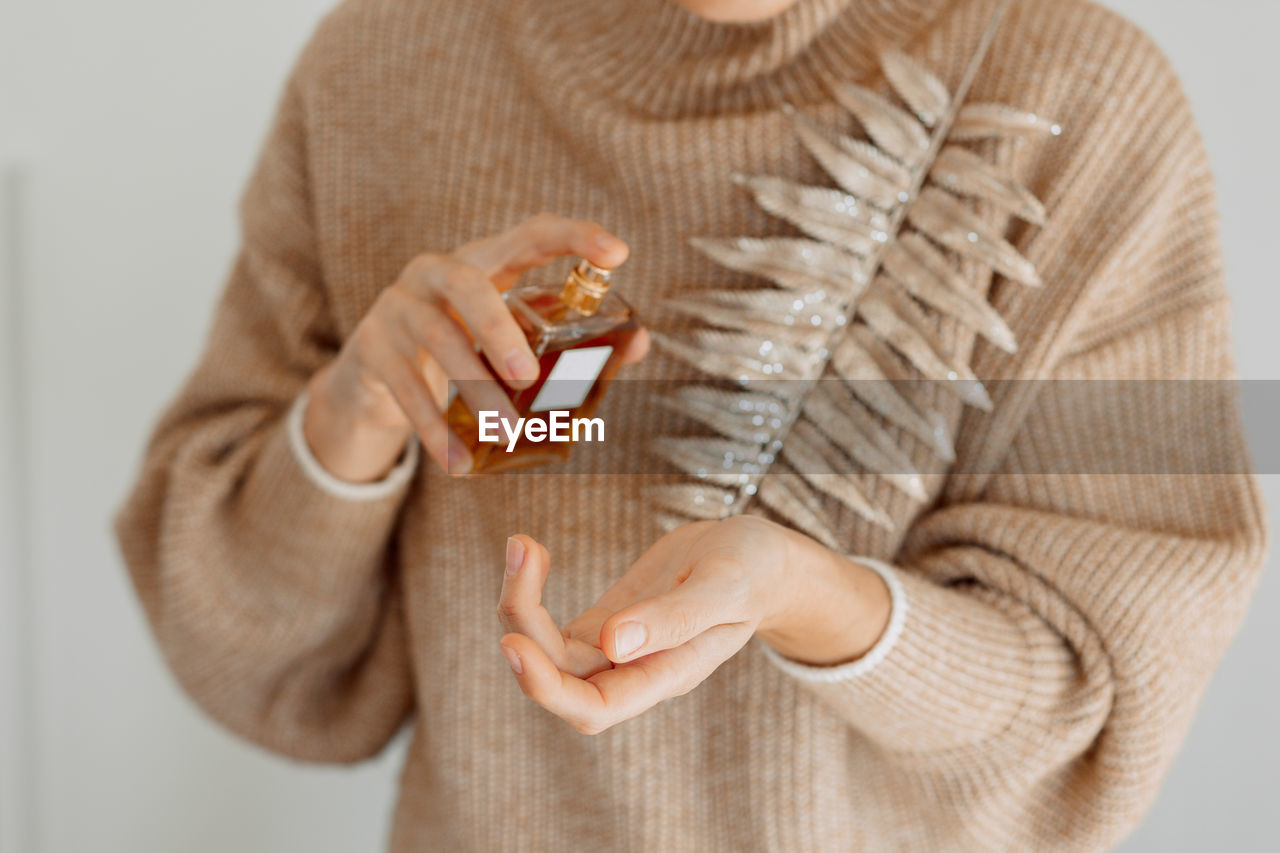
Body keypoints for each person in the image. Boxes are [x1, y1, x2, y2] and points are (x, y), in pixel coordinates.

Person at [115, 0, 1268, 850]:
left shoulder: (1082, 99)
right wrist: (356, 411)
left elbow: (1093, 704)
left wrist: (804, 595)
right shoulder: (378, 66)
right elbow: (241, 654)